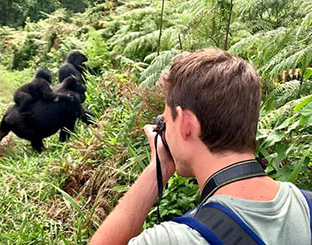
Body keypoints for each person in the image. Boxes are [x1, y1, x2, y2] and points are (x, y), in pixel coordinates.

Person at [90, 48, 311, 244]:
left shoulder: (175, 239)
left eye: (166, 121)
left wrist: (156, 169)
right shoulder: (307, 206)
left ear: (186, 124)